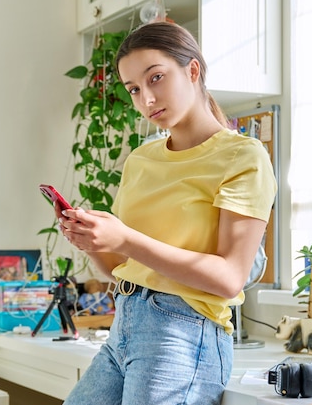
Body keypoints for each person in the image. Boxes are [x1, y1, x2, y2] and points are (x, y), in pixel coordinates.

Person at [58, 22, 277, 405]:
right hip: (123, 325)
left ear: (192, 71)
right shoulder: (141, 160)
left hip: (184, 334)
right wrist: (91, 241)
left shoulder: (243, 156)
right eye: (134, 89)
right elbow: (120, 267)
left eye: (156, 78)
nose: (146, 98)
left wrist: (125, 238)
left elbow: (229, 279)